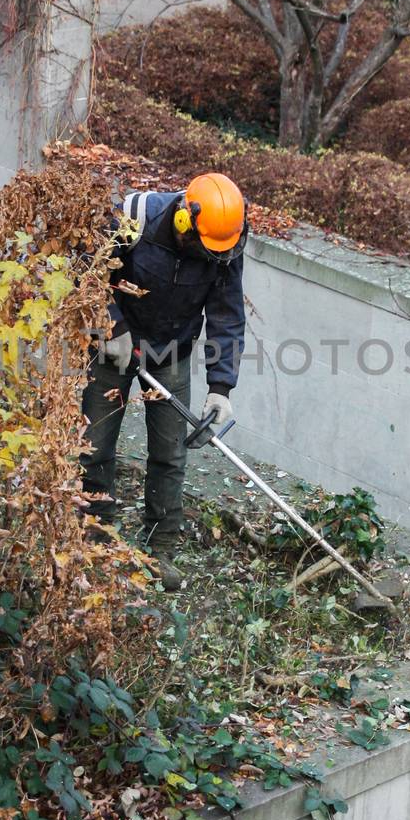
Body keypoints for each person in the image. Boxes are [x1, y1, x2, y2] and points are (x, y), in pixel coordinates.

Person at [82, 173, 248, 592]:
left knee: (170, 454)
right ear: (182, 222)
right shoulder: (136, 216)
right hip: (115, 346)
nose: (210, 255)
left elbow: (227, 316)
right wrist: (110, 326)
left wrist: (220, 389)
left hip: (172, 351)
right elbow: (88, 267)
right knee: (96, 443)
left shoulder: (226, 244)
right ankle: (94, 536)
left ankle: (160, 551)